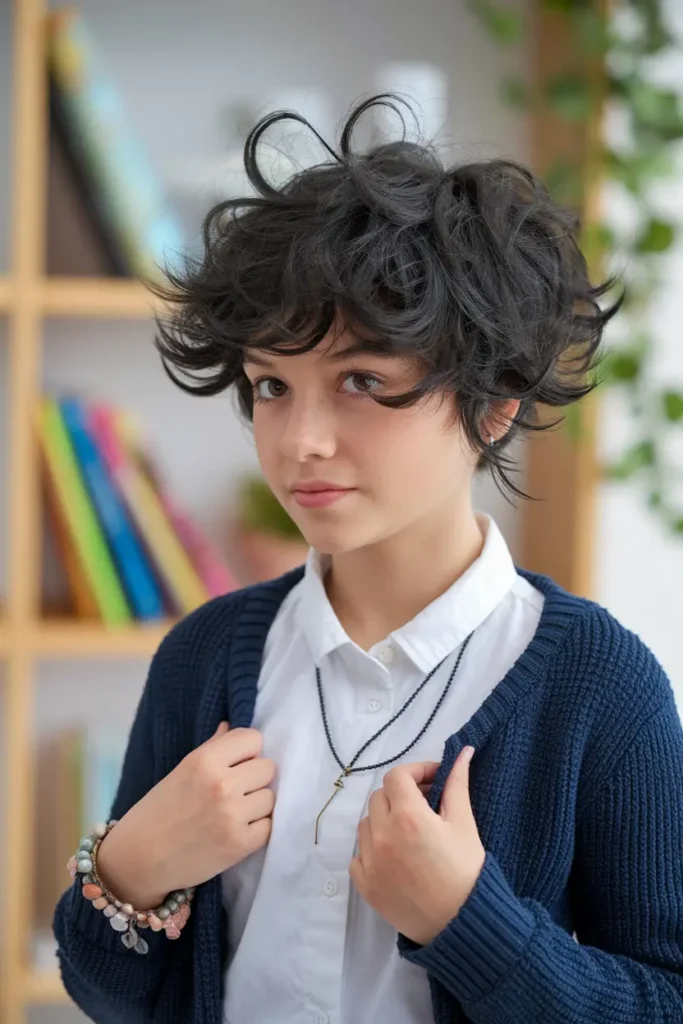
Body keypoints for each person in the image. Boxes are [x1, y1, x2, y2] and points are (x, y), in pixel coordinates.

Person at [53, 94, 683, 1024]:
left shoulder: (598, 686)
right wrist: (132, 869)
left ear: (495, 400)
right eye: (271, 385)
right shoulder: (205, 656)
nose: (300, 440)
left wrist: (469, 921)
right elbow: (112, 997)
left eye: (361, 382)